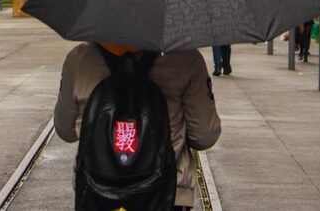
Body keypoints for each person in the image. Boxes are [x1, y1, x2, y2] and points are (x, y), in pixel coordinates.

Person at [54, 42, 221, 210]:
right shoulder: (186, 58)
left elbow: (65, 130)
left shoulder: (79, 59)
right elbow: (205, 136)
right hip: (167, 194)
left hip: (97, 193)